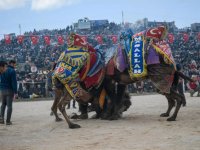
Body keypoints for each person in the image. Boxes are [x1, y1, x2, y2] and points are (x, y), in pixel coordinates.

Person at [0, 60, 18, 125]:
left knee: (3, 105)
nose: (15, 66)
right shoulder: (12, 71)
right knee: (9, 106)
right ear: (12, 64)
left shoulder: (2, 70)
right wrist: (15, 92)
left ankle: (1, 119)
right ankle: (8, 121)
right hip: (9, 90)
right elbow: (14, 82)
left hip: (2, 89)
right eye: (15, 64)